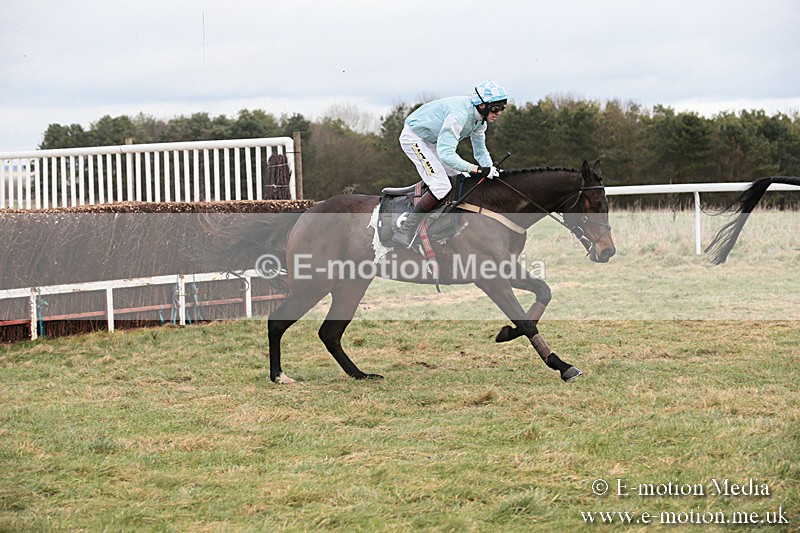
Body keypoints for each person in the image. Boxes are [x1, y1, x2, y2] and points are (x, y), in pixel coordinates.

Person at [392, 80, 508, 248]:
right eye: (496, 108)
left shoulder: (480, 122)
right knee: (441, 185)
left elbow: (481, 152)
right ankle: (405, 230)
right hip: (414, 138)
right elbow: (447, 155)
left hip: (432, 140)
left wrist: (491, 170)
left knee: (461, 178)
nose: (499, 113)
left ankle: (443, 223)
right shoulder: (458, 116)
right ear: (482, 105)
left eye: (502, 108)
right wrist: (477, 170)